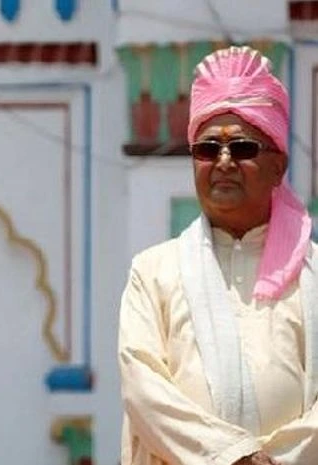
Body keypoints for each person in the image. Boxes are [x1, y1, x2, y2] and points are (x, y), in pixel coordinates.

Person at [118, 46, 318, 465]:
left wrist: (278, 461)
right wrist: (232, 457)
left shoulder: (313, 272)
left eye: (242, 148)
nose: (223, 161)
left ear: (278, 166)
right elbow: (143, 389)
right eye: (208, 150)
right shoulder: (153, 272)